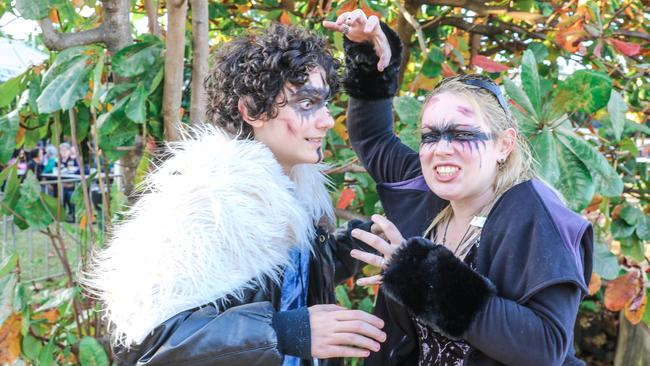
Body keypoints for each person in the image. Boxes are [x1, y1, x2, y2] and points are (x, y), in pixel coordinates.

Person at [84, 24, 386, 366]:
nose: (327, 121)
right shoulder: (202, 204)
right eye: (306, 103)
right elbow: (149, 343)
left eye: (324, 103)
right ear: (252, 111)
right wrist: (287, 332)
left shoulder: (293, 190)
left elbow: (289, 277)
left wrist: (362, 244)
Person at [324, 11, 593, 366]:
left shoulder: (535, 214)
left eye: (463, 134)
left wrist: (422, 276)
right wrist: (368, 52)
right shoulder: (424, 187)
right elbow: (372, 136)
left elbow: (544, 349)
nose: (442, 148)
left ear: (504, 145)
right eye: (430, 136)